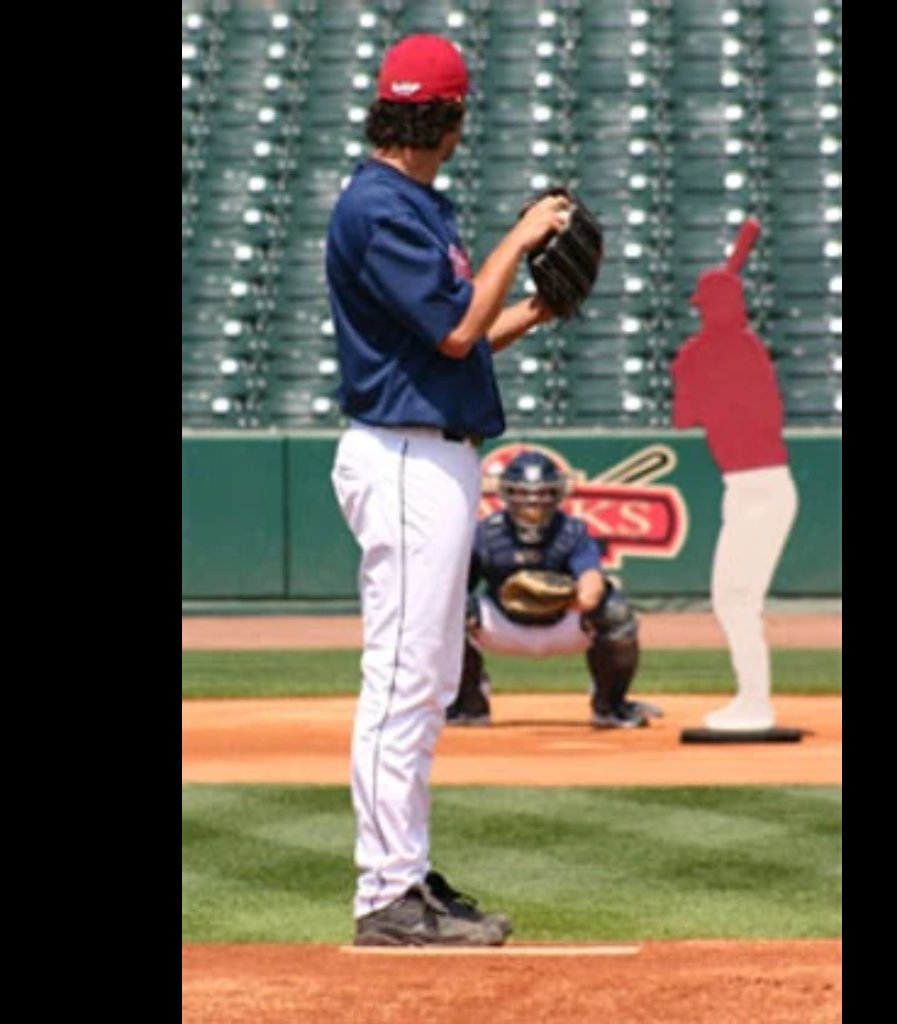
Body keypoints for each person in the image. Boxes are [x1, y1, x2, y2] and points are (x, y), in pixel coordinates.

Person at [325, 34, 571, 947]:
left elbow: (460, 336)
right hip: (401, 456)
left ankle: (405, 876)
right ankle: (386, 895)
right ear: (451, 118)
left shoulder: (414, 202)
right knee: (401, 679)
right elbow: (458, 335)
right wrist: (519, 237)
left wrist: (540, 306)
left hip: (432, 449)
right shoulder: (379, 208)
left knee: (424, 682)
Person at [670, 220, 799, 733]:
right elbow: (685, 418)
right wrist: (691, 369)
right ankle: (751, 698)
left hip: (762, 487)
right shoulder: (714, 352)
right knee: (733, 598)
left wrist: (694, 370)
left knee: (736, 598)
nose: (703, 314)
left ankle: (755, 703)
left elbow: (711, 413)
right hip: (745, 488)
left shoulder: (741, 351)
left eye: (708, 306)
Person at [446, 449, 660, 730]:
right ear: (506, 493)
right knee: (446, 613)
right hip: (502, 625)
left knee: (615, 610)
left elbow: (592, 583)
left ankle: (610, 705)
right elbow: (457, 590)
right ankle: (468, 703)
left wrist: (565, 600)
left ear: (558, 494)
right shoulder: (485, 534)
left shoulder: (572, 531)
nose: (533, 502)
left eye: (543, 493)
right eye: (522, 493)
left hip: (563, 623)